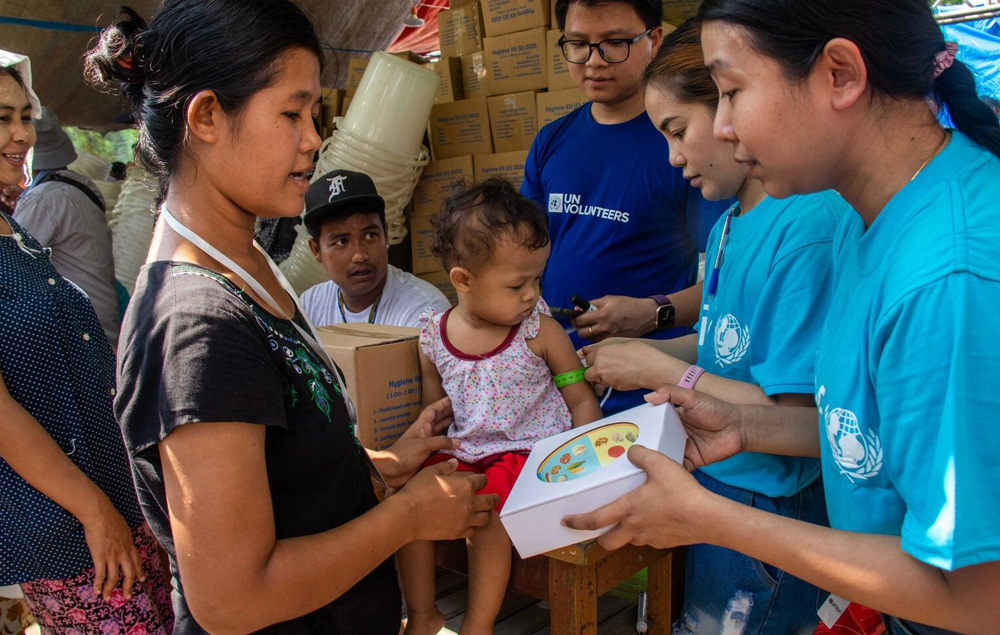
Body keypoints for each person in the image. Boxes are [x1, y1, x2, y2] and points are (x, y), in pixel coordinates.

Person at [565, 1, 1000, 633]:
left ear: (840, 75)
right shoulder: (866, 219)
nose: (726, 128)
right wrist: (745, 424)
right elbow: (866, 437)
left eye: (731, 92)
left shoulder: (946, 280)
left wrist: (710, 518)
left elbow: (977, 596)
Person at [89, 3, 496, 634]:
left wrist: (387, 466)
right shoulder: (196, 326)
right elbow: (232, 598)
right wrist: (409, 517)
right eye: (291, 113)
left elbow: (282, 476)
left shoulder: (248, 263)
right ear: (206, 117)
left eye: (313, 114)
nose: (313, 138)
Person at [580, 20, 851, 634]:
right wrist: (641, 345)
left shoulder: (805, 226)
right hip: (717, 485)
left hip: (771, 507)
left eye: (679, 131)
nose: (673, 157)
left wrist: (664, 368)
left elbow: (799, 419)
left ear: (731, 107)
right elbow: (726, 345)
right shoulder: (729, 222)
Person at [0, 64, 173, 634]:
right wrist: (94, 512)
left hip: (115, 496)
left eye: (25, 117)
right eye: (2, 120)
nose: (22, 135)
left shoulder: (16, 230)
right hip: (68, 526)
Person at [398, 178, 603, 635]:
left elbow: (580, 396)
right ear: (463, 280)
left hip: (529, 456)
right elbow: (436, 413)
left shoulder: (540, 332)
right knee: (407, 506)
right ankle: (423, 614)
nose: (531, 294)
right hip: (465, 452)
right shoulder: (433, 336)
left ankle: (478, 623)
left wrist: (587, 464)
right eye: (517, 284)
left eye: (536, 279)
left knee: (487, 518)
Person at [522, 0, 730, 414]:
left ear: (654, 39)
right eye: (578, 44)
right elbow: (518, 259)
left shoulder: (690, 147)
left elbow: (725, 289)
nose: (594, 61)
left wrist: (652, 313)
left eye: (615, 43)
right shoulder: (551, 142)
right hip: (555, 383)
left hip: (648, 389)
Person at [15, 107, 121, 349]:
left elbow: (9, 265)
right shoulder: (77, 184)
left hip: (81, 338)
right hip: (102, 326)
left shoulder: (46, 198)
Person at [300, 169, 450, 327]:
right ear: (316, 250)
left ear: (386, 234)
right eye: (341, 242)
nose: (359, 255)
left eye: (370, 236)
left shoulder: (426, 310)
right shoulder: (310, 306)